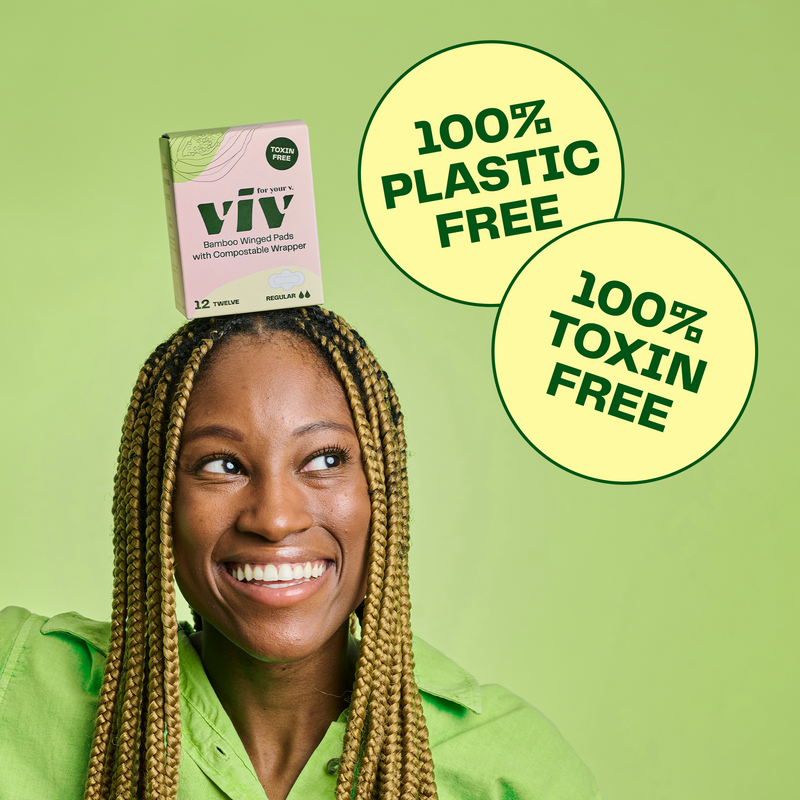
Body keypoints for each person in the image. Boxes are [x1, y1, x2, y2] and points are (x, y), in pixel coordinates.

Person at [0, 306, 602, 800]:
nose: (277, 518)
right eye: (221, 466)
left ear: (383, 492)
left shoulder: (511, 771)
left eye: (324, 460)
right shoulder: (18, 684)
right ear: (152, 499)